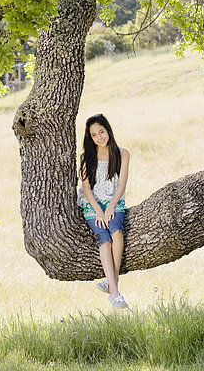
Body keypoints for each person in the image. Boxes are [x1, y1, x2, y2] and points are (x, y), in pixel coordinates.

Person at [77, 114, 130, 309]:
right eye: (94, 135)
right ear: (89, 137)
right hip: (93, 204)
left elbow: (122, 184)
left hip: (115, 202)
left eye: (102, 132)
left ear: (108, 130)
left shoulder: (122, 154)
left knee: (117, 233)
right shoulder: (85, 156)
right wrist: (99, 211)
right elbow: (86, 188)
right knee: (104, 239)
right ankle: (115, 294)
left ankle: (110, 281)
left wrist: (110, 207)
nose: (99, 138)